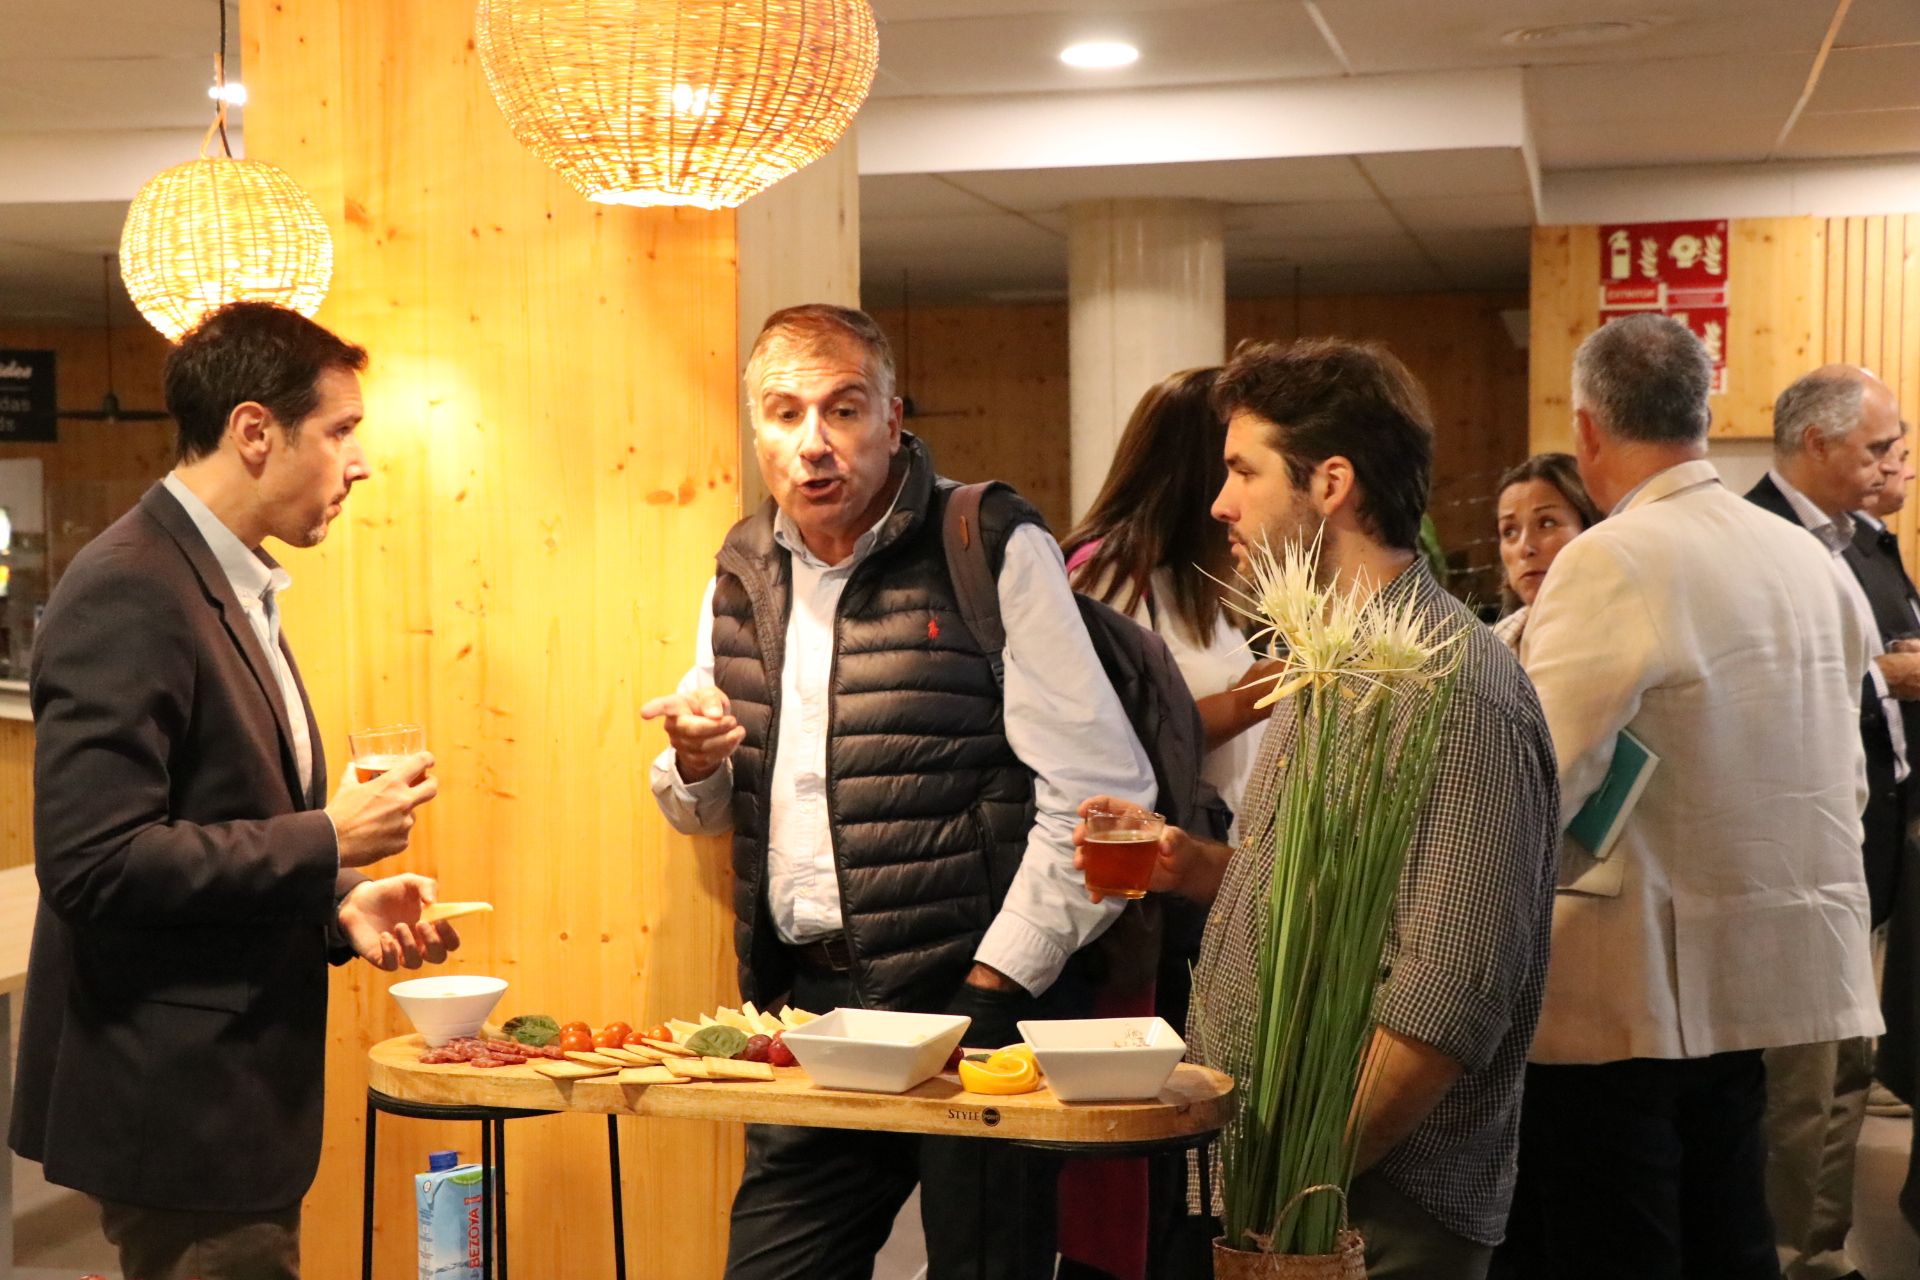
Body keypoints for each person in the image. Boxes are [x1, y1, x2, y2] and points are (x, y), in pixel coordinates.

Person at [644, 303, 1155, 1280]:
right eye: (786, 414)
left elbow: (1100, 799)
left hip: (980, 1009)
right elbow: (701, 805)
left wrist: (993, 984)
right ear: (756, 429)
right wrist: (699, 759)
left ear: (893, 416)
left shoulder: (987, 540)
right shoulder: (742, 567)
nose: (814, 443)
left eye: (843, 409)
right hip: (817, 1016)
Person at [1082, 337, 1561, 1278]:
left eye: (1242, 471)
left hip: (1365, 1212)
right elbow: (1338, 901)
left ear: (1331, 483)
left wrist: (1295, 1185)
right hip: (1293, 1194)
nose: (1219, 503)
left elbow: (1444, 1002)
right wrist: (1198, 865)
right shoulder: (1329, 660)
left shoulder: (1450, 687)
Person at [7, 301, 452, 1280]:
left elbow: (212, 822)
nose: (361, 462)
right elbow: (96, 863)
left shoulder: (228, 580)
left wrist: (337, 905)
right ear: (255, 431)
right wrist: (327, 839)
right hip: (178, 1108)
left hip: (232, 1097)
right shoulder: (129, 585)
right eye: (341, 431)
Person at [1517, 315, 1881, 1279]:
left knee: (1619, 1242)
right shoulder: (1811, 558)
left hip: (1628, 980)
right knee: (1732, 1228)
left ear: (1587, 429)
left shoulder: (1614, 556)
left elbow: (1538, 781)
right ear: (1705, 415)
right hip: (1766, 965)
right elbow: (1846, 778)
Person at [1744, 365, 1910, 1280]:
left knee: (1847, 1067)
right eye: (1880, 446)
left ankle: (1820, 1246)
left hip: (1866, 845)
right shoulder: (1762, 538)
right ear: (1816, 443)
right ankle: (1797, 1255)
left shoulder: (1860, 542)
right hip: (1793, 854)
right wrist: (1887, 677)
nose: (1896, 464)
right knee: (1803, 1080)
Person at [1063, 366, 1276, 835]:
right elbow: (1117, 739)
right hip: (1159, 865)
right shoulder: (1111, 572)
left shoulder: (1195, 578)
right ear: (1202, 471)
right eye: (1239, 468)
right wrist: (1256, 697)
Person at [1489, 452, 1602, 651]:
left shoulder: (1624, 633)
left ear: (1590, 527)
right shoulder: (1483, 651)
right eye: (1510, 531)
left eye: (1547, 523)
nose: (1525, 548)